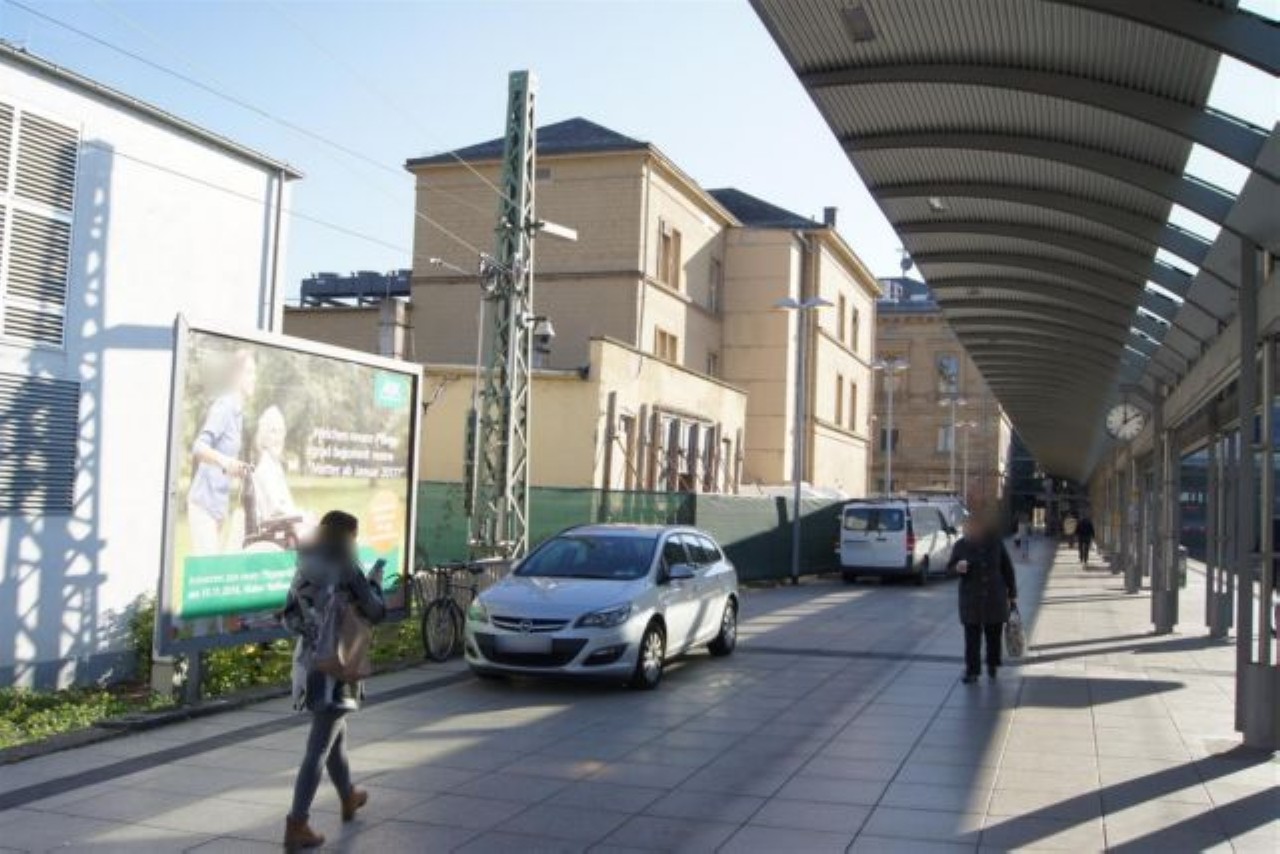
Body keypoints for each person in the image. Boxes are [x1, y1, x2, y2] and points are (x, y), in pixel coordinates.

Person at [281, 511, 386, 851]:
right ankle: (297, 823)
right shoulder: (346, 569)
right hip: (338, 669)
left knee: (334, 737)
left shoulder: (304, 566)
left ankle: (348, 795)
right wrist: (375, 582)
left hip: (309, 663)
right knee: (318, 748)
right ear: (347, 537)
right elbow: (375, 611)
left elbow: (289, 618)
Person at [188, 349, 256, 555]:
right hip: (204, 504)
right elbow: (199, 447)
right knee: (208, 570)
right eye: (250, 372)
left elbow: (224, 463)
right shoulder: (225, 407)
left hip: (218, 507)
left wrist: (236, 469)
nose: (255, 378)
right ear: (236, 376)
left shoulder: (238, 413)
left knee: (215, 568)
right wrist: (227, 462)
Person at [947, 512, 1018, 683]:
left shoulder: (995, 543)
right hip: (971, 599)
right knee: (972, 638)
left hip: (994, 597)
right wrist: (957, 568)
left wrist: (1012, 594)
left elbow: (1007, 568)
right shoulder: (960, 546)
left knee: (993, 635)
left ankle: (992, 664)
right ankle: (972, 671)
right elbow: (949, 569)